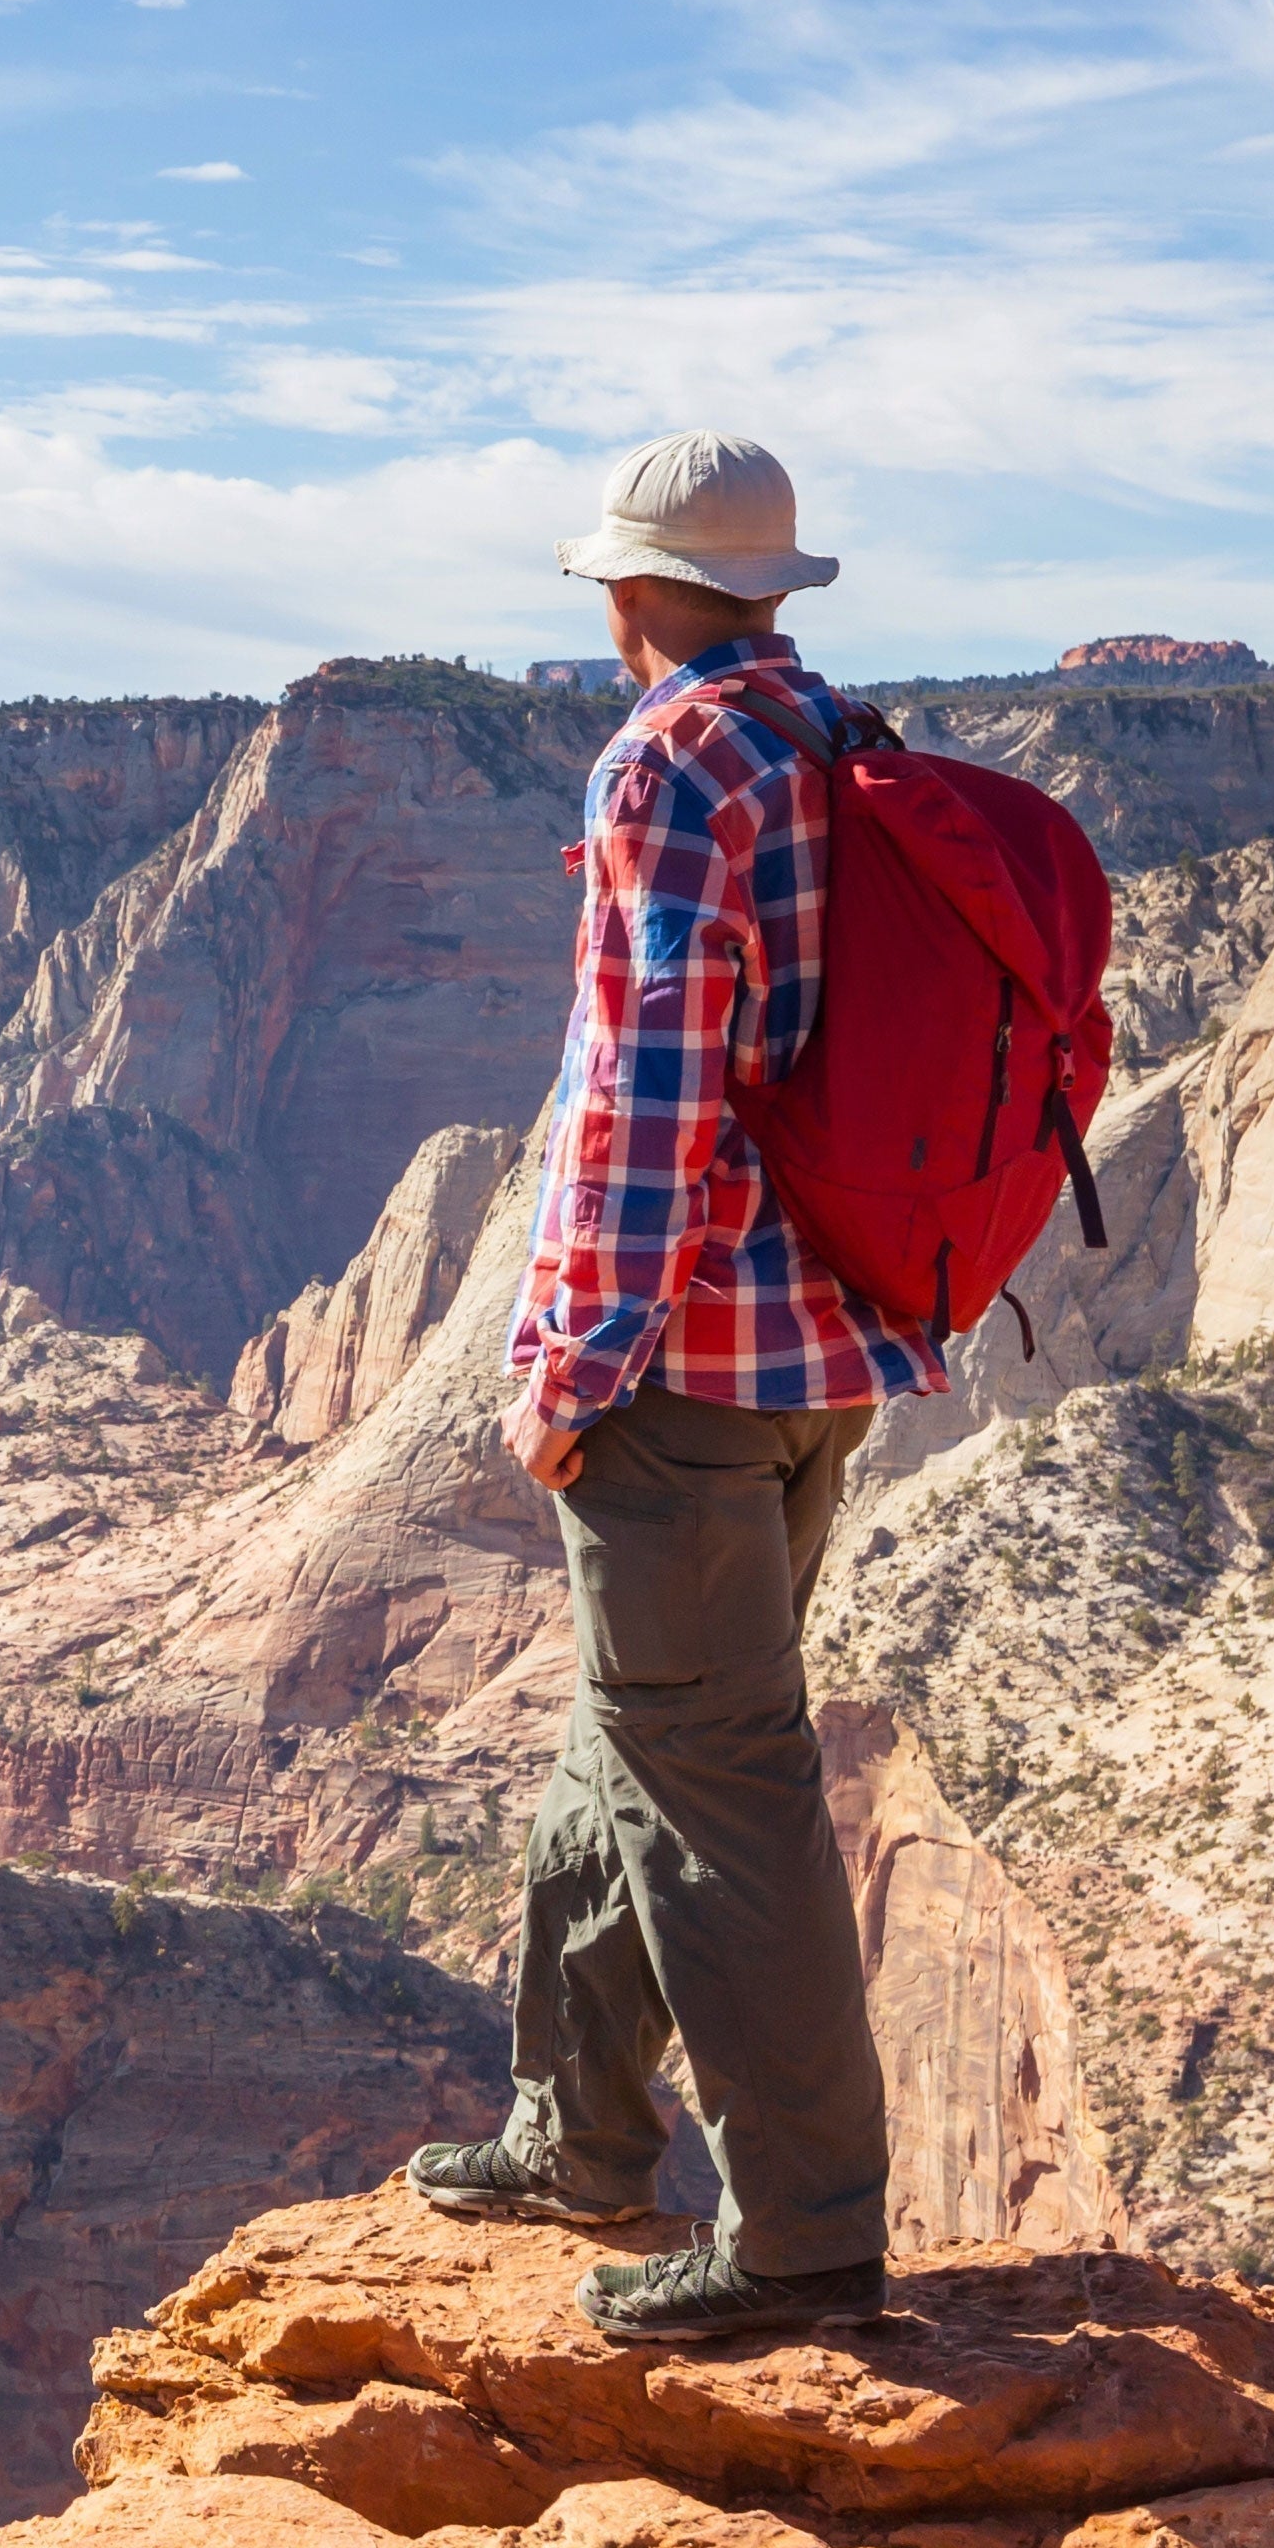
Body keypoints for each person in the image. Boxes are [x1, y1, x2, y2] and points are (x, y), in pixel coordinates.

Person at [401, 428, 941, 2347]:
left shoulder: (668, 757)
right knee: (634, 1733)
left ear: (627, 594)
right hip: (827, 1355)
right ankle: (574, 2123)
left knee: (720, 1785)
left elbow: (650, 1086)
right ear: (769, 589)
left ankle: (804, 2236)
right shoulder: (832, 733)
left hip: (685, 1370)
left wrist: (572, 1360)